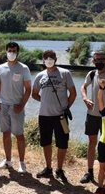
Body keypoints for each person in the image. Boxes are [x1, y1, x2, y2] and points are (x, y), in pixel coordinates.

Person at [32, 50, 77, 183]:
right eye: (46, 58)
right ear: (43, 60)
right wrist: (44, 101)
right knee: (46, 142)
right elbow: (34, 94)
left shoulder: (65, 73)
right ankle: (48, 168)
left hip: (60, 116)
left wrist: (66, 107)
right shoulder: (40, 75)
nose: (49, 60)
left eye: (51, 57)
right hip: (44, 115)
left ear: (56, 59)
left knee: (62, 144)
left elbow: (73, 93)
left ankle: (59, 169)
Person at [80, 51, 105, 184]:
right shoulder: (91, 74)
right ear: (93, 61)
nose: (99, 62)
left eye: (102, 59)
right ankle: (89, 172)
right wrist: (85, 98)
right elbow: (83, 87)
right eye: (97, 60)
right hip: (92, 114)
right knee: (92, 142)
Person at [0, 42, 31, 173]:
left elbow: (28, 89)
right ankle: (8, 161)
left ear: (18, 52)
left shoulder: (23, 68)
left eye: (14, 51)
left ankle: (22, 163)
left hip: (16, 107)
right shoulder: (0, 68)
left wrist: (22, 105)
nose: (11, 53)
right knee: (6, 133)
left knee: (19, 135)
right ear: (6, 51)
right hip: (3, 105)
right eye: (9, 50)